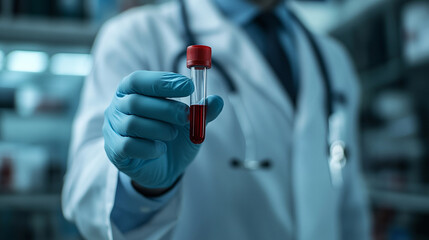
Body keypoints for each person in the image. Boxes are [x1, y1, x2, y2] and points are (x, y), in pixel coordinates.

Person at [62, 0, 371, 239]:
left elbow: (349, 204)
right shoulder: (136, 37)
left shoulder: (332, 59)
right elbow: (82, 191)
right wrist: (140, 187)